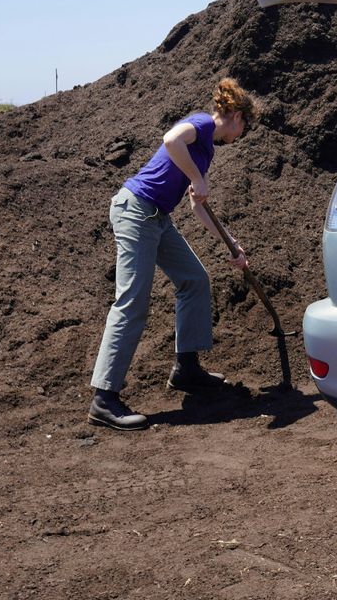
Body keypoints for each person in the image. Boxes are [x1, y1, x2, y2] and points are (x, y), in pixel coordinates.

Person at [88, 78, 259, 431]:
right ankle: (104, 399)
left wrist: (231, 244)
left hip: (157, 218)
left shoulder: (207, 148)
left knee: (194, 279)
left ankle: (186, 369)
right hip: (135, 210)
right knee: (132, 300)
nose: (241, 137)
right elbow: (170, 140)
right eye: (245, 127)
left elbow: (199, 205)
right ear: (237, 117)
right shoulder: (201, 124)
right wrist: (197, 177)